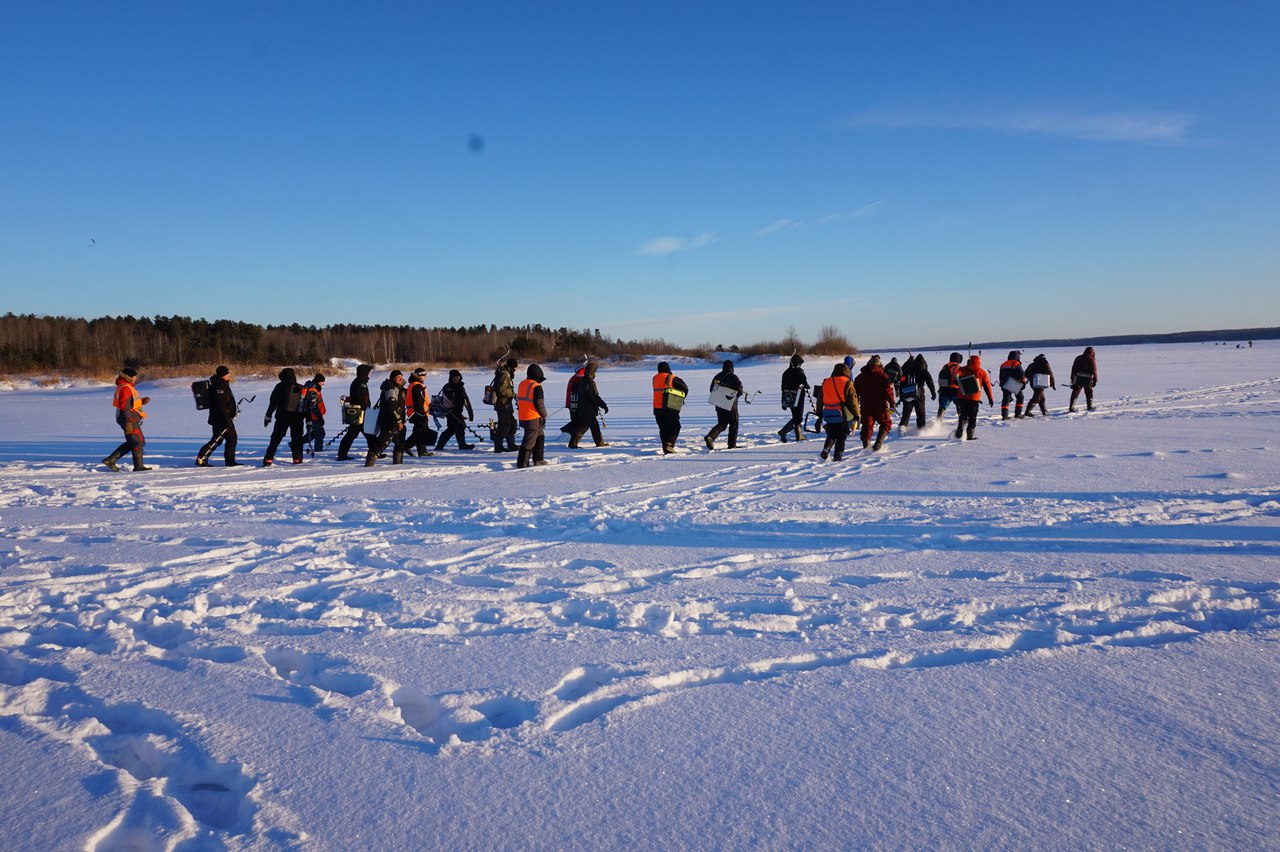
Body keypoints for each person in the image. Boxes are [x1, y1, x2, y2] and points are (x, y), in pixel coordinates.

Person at [102, 367, 151, 472]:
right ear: (128, 377)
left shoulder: (125, 386)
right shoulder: (125, 388)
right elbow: (125, 406)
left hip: (128, 418)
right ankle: (138, 467)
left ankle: (110, 460)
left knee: (133, 442)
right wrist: (128, 421)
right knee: (138, 442)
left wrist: (141, 401)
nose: (136, 379)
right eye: (134, 377)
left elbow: (129, 402)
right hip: (129, 419)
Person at [197, 365, 240, 466]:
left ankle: (202, 457)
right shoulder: (218, 386)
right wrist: (227, 421)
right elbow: (220, 407)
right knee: (231, 438)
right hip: (221, 419)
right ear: (222, 375)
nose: (229, 374)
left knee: (217, 439)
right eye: (227, 373)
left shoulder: (222, 384)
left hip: (222, 418)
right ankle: (229, 461)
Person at [263, 368, 305, 466]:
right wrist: (308, 420)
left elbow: (273, 402)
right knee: (297, 440)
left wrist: (268, 415)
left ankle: (268, 459)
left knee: (275, 439)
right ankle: (297, 459)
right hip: (297, 418)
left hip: (282, 417)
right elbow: (306, 406)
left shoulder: (279, 387)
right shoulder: (301, 388)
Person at [365, 370, 407, 466]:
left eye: (401, 377)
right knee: (382, 442)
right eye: (398, 377)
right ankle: (369, 464)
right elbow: (391, 406)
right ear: (393, 378)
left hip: (397, 421)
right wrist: (398, 420)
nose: (400, 379)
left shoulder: (398, 388)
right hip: (390, 421)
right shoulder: (391, 389)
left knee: (400, 441)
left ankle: (398, 464)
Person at [818, 362, 859, 461]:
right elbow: (853, 401)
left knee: (831, 433)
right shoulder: (847, 383)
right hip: (842, 414)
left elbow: (820, 399)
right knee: (841, 435)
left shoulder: (826, 382)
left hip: (828, 412)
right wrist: (857, 415)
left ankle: (826, 448)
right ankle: (838, 456)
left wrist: (819, 412)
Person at [853, 355, 895, 451]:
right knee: (886, 423)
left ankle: (866, 447)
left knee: (867, 427)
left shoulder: (859, 377)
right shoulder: (883, 376)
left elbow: (855, 394)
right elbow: (889, 391)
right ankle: (878, 445)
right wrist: (892, 404)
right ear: (879, 365)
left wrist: (855, 406)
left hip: (866, 407)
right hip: (881, 407)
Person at [336, 364, 374, 460]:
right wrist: (366, 407)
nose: (370, 374)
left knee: (367, 434)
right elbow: (361, 397)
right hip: (359, 412)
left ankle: (375, 451)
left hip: (359, 412)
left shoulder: (358, 381)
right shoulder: (361, 382)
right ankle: (342, 454)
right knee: (356, 434)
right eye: (369, 372)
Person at [704, 360, 744, 450]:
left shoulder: (717, 376)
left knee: (722, 424)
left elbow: (712, 389)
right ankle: (732, 445)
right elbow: (740, 391)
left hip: (719, 404)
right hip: (730, 405)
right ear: (732, 368)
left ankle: (710, 436)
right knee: (734, 423)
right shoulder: (733, 377)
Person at [568, 362, 609, 448]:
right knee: (582, 427)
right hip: (587, 410)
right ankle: (572, 444)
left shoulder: (583, 380)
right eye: (595, 371)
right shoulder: (589, 382)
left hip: (584, 409)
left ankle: (600, 443)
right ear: (592, 371)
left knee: (595, 427)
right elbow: (594, 396)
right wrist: (603, 405)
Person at [434, 369, 476, 451]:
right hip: (450, 412)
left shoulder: (461, 387)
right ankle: (441, 446)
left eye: (457, 377)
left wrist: (470, 412)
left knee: (457, 427)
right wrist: (453, 412)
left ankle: (461, 445)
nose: (456, 379)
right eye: (454, 377)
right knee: (452, 428)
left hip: (458, 411)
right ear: (451, 377)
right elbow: (448, 401)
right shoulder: (447, 387)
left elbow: (465, 400)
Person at [954, 355, 994, 440]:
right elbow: (987, 386)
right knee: (972, 417)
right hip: (974, 399)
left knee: (963, 414)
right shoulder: (981, 372)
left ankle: (960, 429)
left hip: (962, 397)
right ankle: (970, 436)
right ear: (979, 362)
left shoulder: (962, 369)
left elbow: (955, 376)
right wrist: (990, 398)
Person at [516, 363, 549, 468]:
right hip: (532, 418)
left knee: (540, 435)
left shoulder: (522, 384)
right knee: (529, 441)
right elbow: (539, 404)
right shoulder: (536, 387)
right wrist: (544, 415)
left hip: (523, 416)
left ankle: (538, 459)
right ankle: (522, 464)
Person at [652, 361, 689, 454]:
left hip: (657, 408)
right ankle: (669, 444)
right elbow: (685, 388)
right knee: (675, 427)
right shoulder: (672, 378)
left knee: (663, 428)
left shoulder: (655, 378)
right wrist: (681, 398)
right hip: (670, 407)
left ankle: (665, 446)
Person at [897, 354, 936, 434]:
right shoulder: (923, 371)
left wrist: (902, 396)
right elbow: (930, 382)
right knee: (921, 414)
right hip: (919, 395)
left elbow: (901, 382)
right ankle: (921, 431)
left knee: (906, 414)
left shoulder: (908, 370)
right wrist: (933, 392)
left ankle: (901, 429)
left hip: (907, 394)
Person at [778, 354, 811, 442]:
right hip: (798, 396)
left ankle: (798, 435)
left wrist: (783, 401)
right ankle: (783, 432)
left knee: (795, 416)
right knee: (798, 417)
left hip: (788, 396)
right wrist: (807, 386)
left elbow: (783, 386)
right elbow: (803, 381)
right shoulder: (799, 371)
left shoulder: (786, 372)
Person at [404, 368, 435, 456]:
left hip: (414, 412)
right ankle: (407, 446)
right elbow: (418, 402)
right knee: (421, 432)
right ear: (417, 375)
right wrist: (422, 414)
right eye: (422, 375)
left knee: (419, 431)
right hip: (418, 413)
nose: (424, 376)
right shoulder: (417, 386)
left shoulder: (412, 384)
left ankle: (421, 451)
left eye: (424, 374)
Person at [491, 357, 518, 453]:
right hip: (502, 404)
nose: (515, 370)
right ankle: (498, 446)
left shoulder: (505, 373)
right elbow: (502, 390)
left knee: (512, 423)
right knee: (504, 425)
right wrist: (513, 394)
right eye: (515, 368)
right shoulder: (504, 374)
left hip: (506, 404)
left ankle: (511, 445)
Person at [998, 350, 1027, 420]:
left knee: (1005, 399)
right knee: (1020, 397)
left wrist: (1002, 384)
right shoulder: (1016, 364)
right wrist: (1024, 382)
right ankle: (1018, 414)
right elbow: (1022, 375)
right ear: (1017, 356)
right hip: (1014, 383)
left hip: (1005, 383)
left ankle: (1004, 416)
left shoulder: (1003, 364)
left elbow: (1001, 376)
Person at [560, 364, 587, 439]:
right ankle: (567, 432)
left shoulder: (574, 378)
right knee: (578, 421)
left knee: (577, 420)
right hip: (574, 404)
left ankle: (569, 434)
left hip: (572, 403)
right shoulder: (577, 379)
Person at [1068, 346, 1098, 412]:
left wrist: (1072, 378)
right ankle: (1089, 406)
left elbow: (1074, 369)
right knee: (1089, 392)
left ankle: (1071, 407)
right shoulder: (1091, 359)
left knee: (1075, 392)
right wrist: (1095, 380)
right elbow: (1094, 371)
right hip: (1087, 379)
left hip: (1077, 378)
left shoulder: (1078, 358)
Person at [303, 373, 327, 455]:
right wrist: (319, 417)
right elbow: (313, 406)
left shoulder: (315, 388)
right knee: (320, 434)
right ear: (318, 382)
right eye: (322, 382)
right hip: (314, 416)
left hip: (314, 416)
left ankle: (295, 444)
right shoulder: (313, 390)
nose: (323, 384)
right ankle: (318, 451)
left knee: (313, 434)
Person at [936, 352, 963, 421]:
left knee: (942, 407)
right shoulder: (958, 367)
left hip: (944, 390)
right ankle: (962, 421)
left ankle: (938, 422)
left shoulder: (945, 366)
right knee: (960, 406)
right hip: (955, 391)